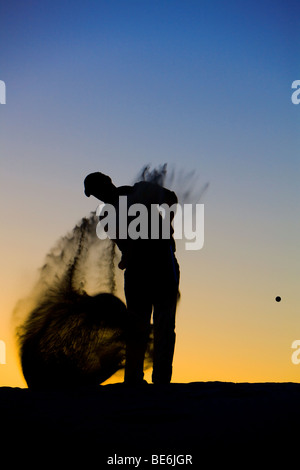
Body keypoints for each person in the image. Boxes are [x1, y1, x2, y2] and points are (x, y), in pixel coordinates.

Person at [84, 171, 180, 385]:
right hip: (139, 272)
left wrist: (168, 223)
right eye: (95, 194)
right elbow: (127, 243)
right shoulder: (106, 215)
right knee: (138, 326)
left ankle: (161, 381)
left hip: (163, 265)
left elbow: (171, 198)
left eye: (99, 189)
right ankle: (134, 380)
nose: (99, 196)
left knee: (164, 324)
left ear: (109, 182)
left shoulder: (138, 191)